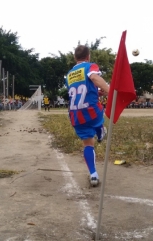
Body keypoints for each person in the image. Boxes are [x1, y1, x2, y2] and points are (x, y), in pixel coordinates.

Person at [65, 45, 109, 187]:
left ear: (74, 58)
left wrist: (96, 91)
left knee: (88, 144)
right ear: (88, 56)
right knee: (98, 113)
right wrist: (110, 90)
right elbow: (94, 78)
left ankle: (93, 175)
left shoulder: (69, 74)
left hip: (75, 114)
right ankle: (100, 129)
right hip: (91, 111)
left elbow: (80, 90)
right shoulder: (90, 67)